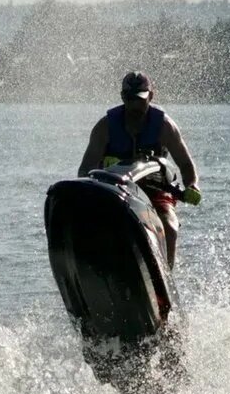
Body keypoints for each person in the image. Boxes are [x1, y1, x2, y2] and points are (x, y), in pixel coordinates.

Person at [77, 71, 201, 268]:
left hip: (156, 190)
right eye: (130, 99)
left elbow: (185, 164)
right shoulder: (105, 127)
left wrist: (192, 185)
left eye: (141, 99)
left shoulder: (165, 126)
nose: (135, 105)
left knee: (169, 227)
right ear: (123, 97)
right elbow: (85, 170)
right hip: (115, 191)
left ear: (151, 96)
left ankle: (164, 283)